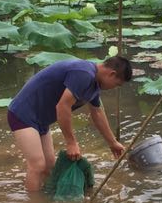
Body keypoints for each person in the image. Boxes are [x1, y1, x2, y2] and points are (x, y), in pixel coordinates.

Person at [7, 56, 132, 192]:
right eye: (117, 84)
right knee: (37, 166)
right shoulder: (84, 74)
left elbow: (97, 113)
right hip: (23, 114)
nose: (114, 88)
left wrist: (112, 142)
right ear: (112, 74)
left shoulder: (95, 83)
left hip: (41, 120)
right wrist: (71, 143)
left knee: (49, 167)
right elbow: (63, 106)